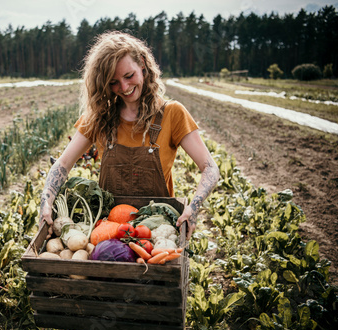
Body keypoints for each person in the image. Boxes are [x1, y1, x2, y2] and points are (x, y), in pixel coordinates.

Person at [40, 31, 220, 240]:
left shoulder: (172, 114)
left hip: (156, 235)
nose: (124, 88)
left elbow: (210, 167)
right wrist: (47, 199)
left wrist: (194, 207)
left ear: (142, 64)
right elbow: (63, 163)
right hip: (108, 232)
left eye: (129, 76)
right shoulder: (99, 118)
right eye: (113, 82)